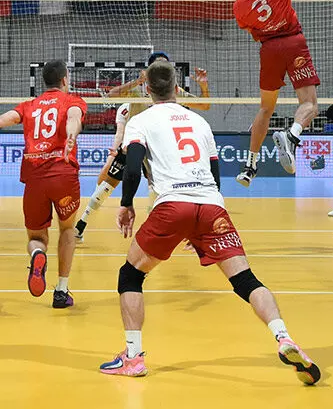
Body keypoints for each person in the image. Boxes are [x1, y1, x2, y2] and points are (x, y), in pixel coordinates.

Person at [99, 59, 321, 384]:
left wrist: (127, 204)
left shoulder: (140, 121)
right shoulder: (199, 121)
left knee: (130, 275)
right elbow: (215, 173)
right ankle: (283, 336)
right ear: (177, 89)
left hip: (172, 205)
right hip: (212, 206)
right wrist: (200, 227)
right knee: (246, 281)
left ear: (147, 89)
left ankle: (133, 358)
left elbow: (133, 167)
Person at [74, 51, 211, 242]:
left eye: (166, 65)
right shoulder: (138, 89)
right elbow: (111, 95)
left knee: (158, 190)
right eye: (159, 65)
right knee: (107, 185)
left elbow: (204, 105)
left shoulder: (174, 90)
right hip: (134, 144)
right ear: (149, 70)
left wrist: (203, 86)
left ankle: (157, 232)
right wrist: (136, 82)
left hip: (158, 148)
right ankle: (81, 225)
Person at [231, 0, 319, 186]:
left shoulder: (238, 5)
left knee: (265, 108)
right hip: (293, 42)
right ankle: (292, 135)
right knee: (310, 104)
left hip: (269, 49)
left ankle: (250, 166)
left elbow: (252, 32)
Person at [0, 60, 86, 307]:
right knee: (67, 230)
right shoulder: (72, 100)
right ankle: (61, 291)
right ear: (64, 79)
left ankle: (38, 254)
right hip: (63, 175)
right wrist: (71, 134)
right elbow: (73, 117)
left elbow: (6, 119)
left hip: (35, 178)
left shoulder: (29, 105)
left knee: (36, 236)